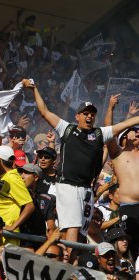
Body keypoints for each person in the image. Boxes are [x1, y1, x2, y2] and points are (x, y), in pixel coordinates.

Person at [27, 78, 139, 260]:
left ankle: (74, 263)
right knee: (72, 228)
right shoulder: (67, 129)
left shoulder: (99, 133)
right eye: (85, 113)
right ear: (77, 116)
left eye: (92, 114)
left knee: (81, 233)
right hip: (68, 186)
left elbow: (123, 126)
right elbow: (44, 111)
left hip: (87, 190)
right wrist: (35, 88)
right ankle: (69, 266)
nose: (89, 116)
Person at [104, 95, 139, 259]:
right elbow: (108, 132)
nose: (138, 133)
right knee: (129, 249)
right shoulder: (118, 155)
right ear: (125, 136)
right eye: (135, 130)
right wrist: (111, 108)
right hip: (128, 207)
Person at [0, 145, 34, 245]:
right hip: (0, 232)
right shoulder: (3, 176)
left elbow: (30, 206)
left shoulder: (13, 179)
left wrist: (13, 226)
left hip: (8, 236)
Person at [18, 163, 56, 240]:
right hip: (17, 237)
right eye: (21, 172)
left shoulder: (46, 200)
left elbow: (51, 228)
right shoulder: (14, 194)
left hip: (39, 240)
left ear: (36, 177)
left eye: (26, 173)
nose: (22, 176)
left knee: (53, 249)